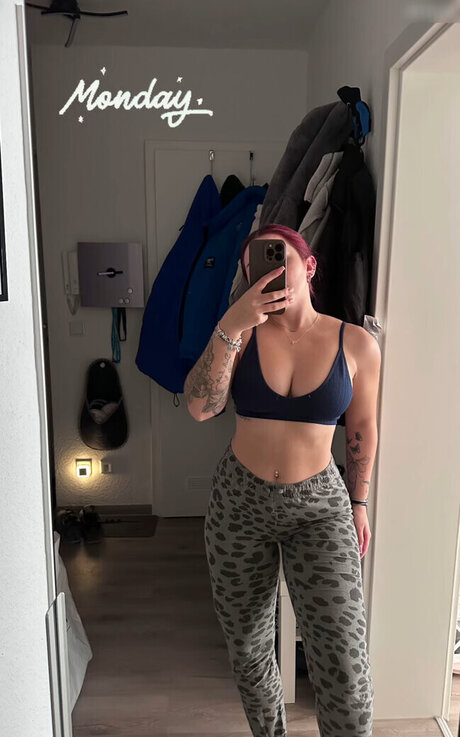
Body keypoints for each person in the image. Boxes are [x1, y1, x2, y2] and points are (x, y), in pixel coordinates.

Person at [184, 223, 381, 737]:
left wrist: (359, 502)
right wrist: (232, 322)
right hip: (238, 502)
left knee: (344, 659)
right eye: (256, 268)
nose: (269, 275)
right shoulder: (241, 334)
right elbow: (201, 407)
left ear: (309, 267)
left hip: (320, 508)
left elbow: (362, 429)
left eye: (280, 260)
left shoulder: (356, 343)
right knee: (250, 649)